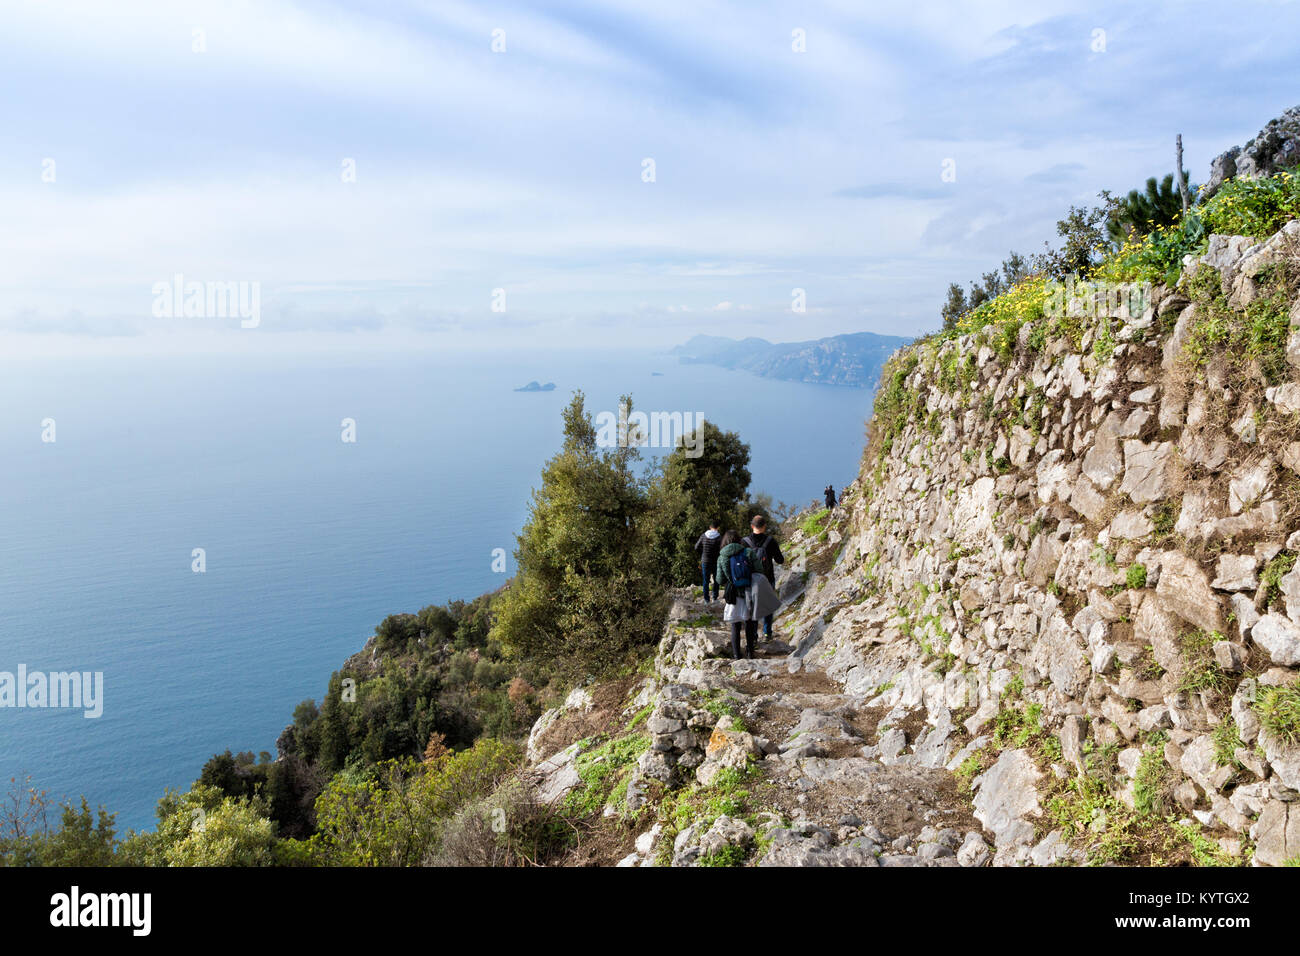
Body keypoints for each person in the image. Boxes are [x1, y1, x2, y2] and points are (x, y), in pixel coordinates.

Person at [715, 530, 758, 659]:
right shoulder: (748, 552)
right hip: (748, 592)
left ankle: (736, 655)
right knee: (749, 623)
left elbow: (719, 580)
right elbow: (759, 570)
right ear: (739, 540)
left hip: (732, 594)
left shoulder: (722, 557)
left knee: (735, 625)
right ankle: (750, 652)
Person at [743, 514, 784, 641]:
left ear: (752, 526)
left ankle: (754, 637)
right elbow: (780, 560)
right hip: (767, 578)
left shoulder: (744, 542)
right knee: (768, 605)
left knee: (752, 607)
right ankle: (767, 633)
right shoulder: (770, 541)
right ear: (764, 526)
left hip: (750, 580)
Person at [693, 520, 723, 602]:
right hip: (715, 561)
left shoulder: (703, 536)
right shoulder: (719, 537)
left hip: (705, 560)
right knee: (716, 579)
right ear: (718, 528)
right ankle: (715, 597)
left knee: (706, 580)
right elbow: (722, 549)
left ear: (710, 527)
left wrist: (702, 553)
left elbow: (696, 547)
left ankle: (706, 600)